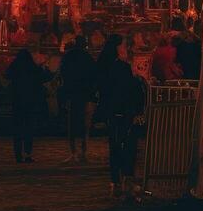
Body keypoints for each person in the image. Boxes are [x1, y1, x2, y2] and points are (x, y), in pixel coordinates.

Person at [97, 36, 144, 199]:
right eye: (124, 45)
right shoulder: (121, 68)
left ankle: (116, 181)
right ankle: (127, 180)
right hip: (124, 112)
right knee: (128, 146)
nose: (126, 48)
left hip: (113, 113)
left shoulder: (106, 67)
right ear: (118, 48)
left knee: (115, 146)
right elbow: (130, 90)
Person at [6, 48, 50, 163]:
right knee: (29, 128)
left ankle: (18, 154)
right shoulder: (33, 68)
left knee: (18, 129)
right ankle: (28, 153)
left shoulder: (15, 67)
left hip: (17, 102)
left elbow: (7, 75)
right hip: (30, 102)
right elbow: (44, 77)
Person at [58, 35, 96, 164]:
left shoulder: (68, 57)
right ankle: (83, 152)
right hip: (86, 94)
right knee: (85, 125)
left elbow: (63, 74)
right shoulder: (88, 57)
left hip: (72, 94)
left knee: (72, 124)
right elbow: (93, 76)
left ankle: (73, 152)